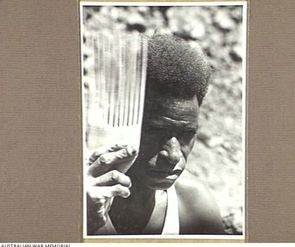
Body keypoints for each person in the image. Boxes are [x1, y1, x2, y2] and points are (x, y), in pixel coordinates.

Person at [86, 35, 225, 235]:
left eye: (186, 135)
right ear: (123, 121)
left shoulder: (195, 209)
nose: (174, 156)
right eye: (156, 133)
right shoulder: (74, 196)